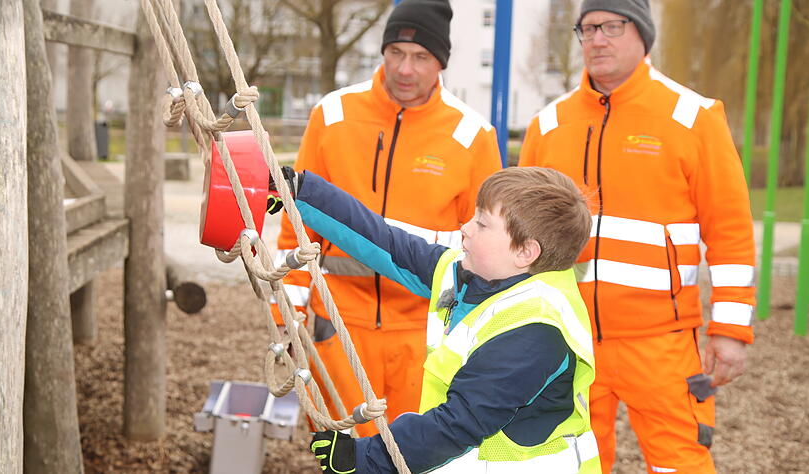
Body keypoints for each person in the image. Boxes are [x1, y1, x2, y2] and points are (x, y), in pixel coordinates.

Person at [518, 1, 756, 472]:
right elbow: (519, 232)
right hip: (567, 339)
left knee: (679, 463)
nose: (597, 39)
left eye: (612, 26)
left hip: (662, 342)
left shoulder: (693, 117)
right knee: (570, 464)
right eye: (587, 29)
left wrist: (730, 330)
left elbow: (729, 229)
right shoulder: (548, 125)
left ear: (643, 34)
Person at [268, 165, 599, 472]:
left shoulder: (534, 330)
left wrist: (365, 457)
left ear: (525, 252)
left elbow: (458, 423)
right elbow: (386, 242)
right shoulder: (469, 275)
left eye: (482, 224)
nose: (465, 228)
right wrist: (303, 192)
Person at [271, 0, 501, 437]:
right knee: (344, 454)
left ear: (441, 63)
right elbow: (295, 229)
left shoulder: (473, 136)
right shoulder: (333, 116)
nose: (405, 69)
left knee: (419, 455)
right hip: (338, 325)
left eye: (421, 57)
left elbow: (488, 247)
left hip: (424, 333)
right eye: (396, 52)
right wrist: (287, 315)